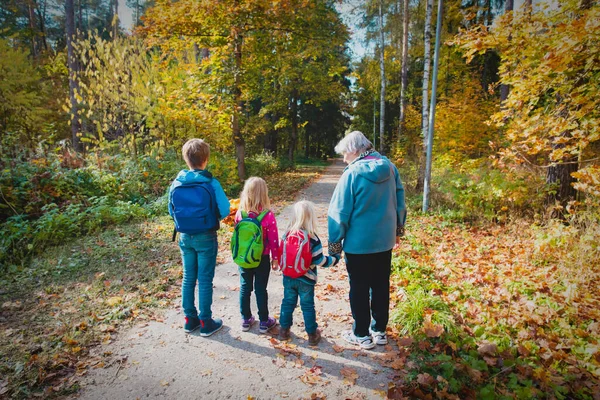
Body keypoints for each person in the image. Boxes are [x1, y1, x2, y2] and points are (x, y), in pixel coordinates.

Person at [327, 131, 407, 350]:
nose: (344, 159)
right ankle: (379, 330)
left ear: (354, 150)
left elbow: (338, 213)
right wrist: (398, 231)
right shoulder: (390, 168)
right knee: (381, 285)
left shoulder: (351, 174)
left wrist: (335, 246)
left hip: (358, 245)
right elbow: (400, 202)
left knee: (359, 288)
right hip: (384, 241)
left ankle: (361, 334)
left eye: (345, 153)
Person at [168, 138, 230, 336]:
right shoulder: (210, 182)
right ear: (206, 160)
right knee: (204, 279)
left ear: (186, 159)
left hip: (185, 236)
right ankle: (205, 322)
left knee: (188, 277)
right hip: (206, 236)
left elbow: (172, 211)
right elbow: (225, 209)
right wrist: (211, 216)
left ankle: (189, 319)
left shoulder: (176, 183)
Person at [277, 201, 339, 346]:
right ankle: (312, 335)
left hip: (288, 277)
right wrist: (334, 260)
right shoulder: (312, 237)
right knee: (307, 306)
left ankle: (283, 331)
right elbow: (320, 260)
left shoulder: (286, 234)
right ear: (311, 218)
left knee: (287, 303)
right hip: (306, 279)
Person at [234, 177, 279, 333]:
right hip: (262, 258)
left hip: (244, 258)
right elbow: (274, 240)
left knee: (245, 287)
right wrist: (275, 258)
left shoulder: (240, 214)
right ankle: (264, 321)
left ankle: (245, 319)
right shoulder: (267, 216)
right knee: (261, 289)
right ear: (264, 194)